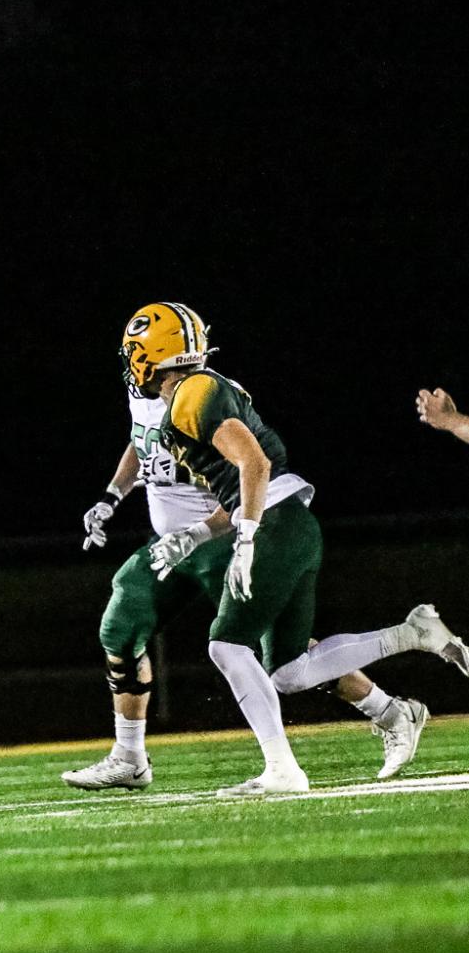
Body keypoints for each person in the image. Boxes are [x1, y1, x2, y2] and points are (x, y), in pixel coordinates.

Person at [121, 303, 467, 796]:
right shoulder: (199, 393)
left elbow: (255, 466)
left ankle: (283, 770)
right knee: (287, 670)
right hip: (292, 523)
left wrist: (244, 540)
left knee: (226, 645)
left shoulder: (190, 396)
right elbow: (240, 484)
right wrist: (198, 535)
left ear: (148, 356)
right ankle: (413, 633)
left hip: (277, 524)